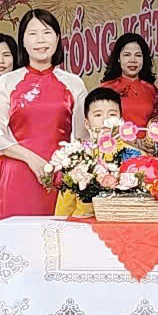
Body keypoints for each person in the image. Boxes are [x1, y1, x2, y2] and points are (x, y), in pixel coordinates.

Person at [0, 9, 87, 218]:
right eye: (33, 34)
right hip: (18, 174)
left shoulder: (74, 83)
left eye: (47, 32)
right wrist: (32, 160)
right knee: (18, 235)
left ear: (57, 38)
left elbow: (82, 138)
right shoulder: (7, 82)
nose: (40, 40)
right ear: (23, 41)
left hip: (61, 176)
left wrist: (62, 167)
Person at [54, 87, 122, 218]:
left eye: (112, 115)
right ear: (86, 123)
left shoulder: (134, 155)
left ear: (121, 120)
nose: (105, 120)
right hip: (82, 223)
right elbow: (65, 206)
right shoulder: (77, 158)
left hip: (119, 224)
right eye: (98, 115)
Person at [99, 32, 158, 126]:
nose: (133, 60)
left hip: (146, 136)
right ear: (118, 58)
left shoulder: (151, 90)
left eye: (138, 55)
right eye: (127, 55)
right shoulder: (105, 89)